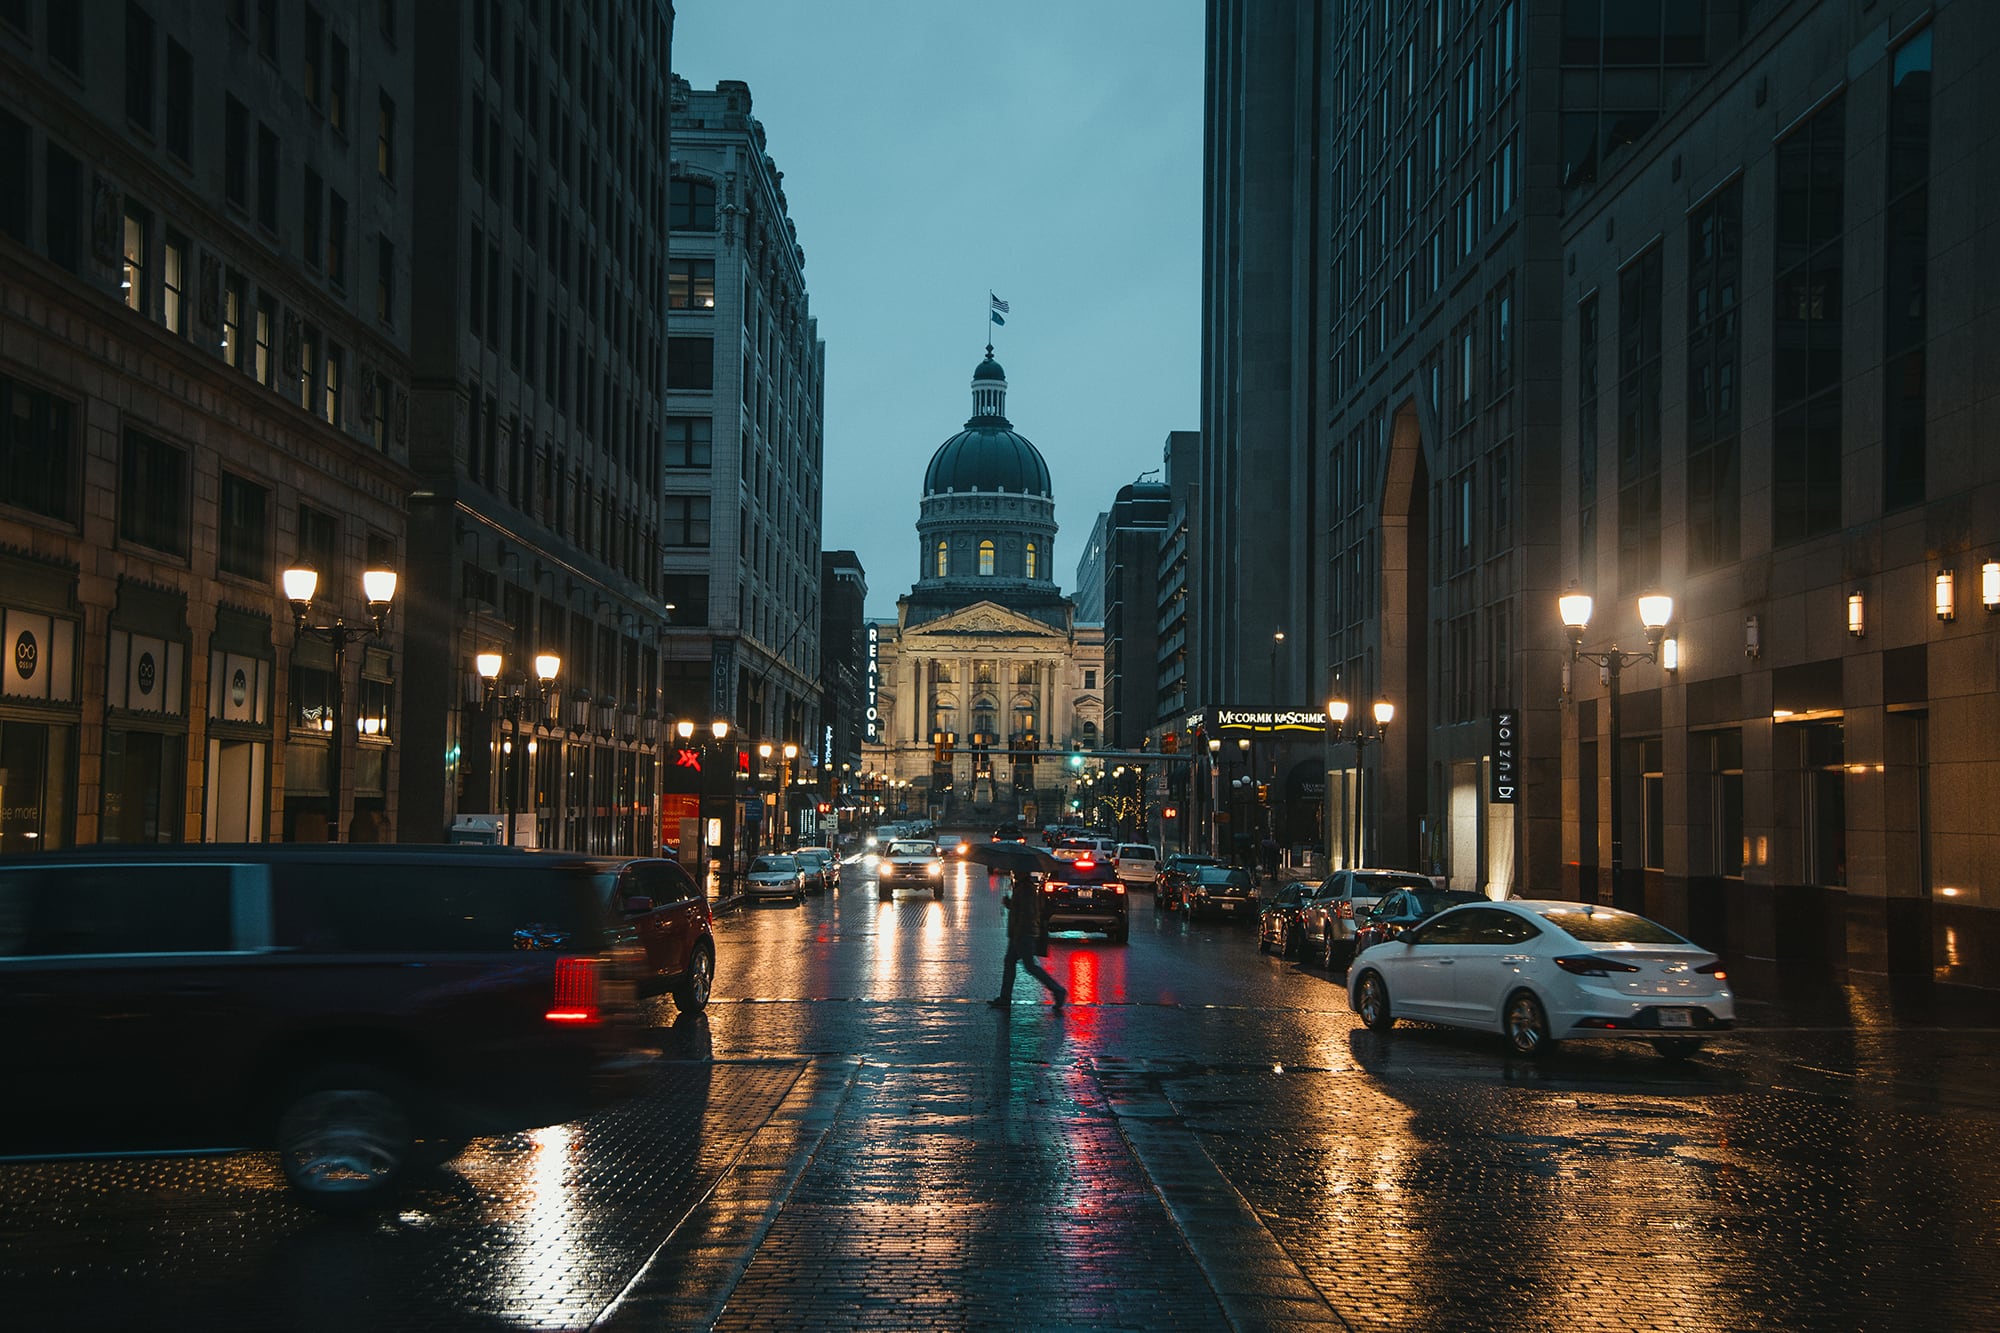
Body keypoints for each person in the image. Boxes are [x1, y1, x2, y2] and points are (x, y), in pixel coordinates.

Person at [989, 868, 1066, 1010]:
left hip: (1023, 933)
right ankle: (1005, 997)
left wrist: (1019, 930)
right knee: (1010, 962)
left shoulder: (1026, 889)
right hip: (1018, 933)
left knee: (1029, 965)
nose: (1015, 873)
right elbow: (1020, 909)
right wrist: (1010, 904)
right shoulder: (1022, 888)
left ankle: (1058, 990)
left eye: (1017, 871)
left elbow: (1027, 913)